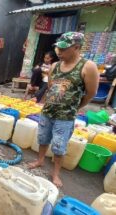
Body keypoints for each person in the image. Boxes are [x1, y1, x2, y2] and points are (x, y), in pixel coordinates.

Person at [28, 32, 99, 187]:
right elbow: (51, 87)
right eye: (58, 48)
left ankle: (55, 173)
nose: (59, 52)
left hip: (65, 117)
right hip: (48, 111)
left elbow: (91, 93)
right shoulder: (54, 66)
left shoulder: (88, 66)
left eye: (63, 49)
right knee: (43, 138)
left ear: (77, 47)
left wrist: (76, 107)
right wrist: (45, 103)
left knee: (59, 146)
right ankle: (40, 160)